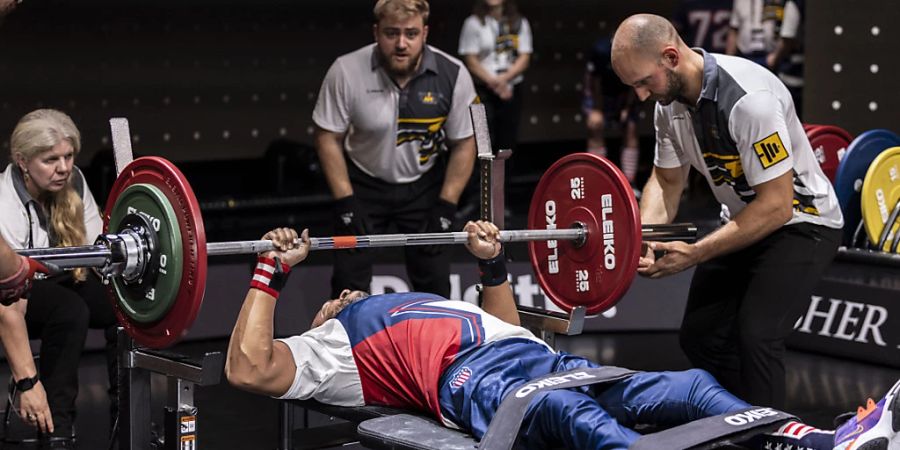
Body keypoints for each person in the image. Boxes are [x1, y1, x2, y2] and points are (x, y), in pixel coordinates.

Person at [225, 221, 895, 450]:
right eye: (330, 302)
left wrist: (492, 263)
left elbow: (506, 325)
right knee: (564, 413)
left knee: (689, 385)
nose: (341, 297)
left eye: (340, 297)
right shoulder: (331, 346)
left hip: (533, 357)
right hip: (482, 384)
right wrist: (270, 272)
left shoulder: (414, 302)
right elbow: (249, 369)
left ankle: (820, 440)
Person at [609, 14, 843, 410]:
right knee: (700, 336)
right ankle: (741, 418)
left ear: (670, 56)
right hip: (745, 218)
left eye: (644, 82)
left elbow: (777, 205)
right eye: (634, 87)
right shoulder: (668, 105)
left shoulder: (749, 100)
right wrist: (645, 237)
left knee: (758, 335)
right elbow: (666, 182)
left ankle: (771, 435)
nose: (642, 96)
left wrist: (696, 253)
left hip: (803, 222)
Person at [313, 0, 478, 299]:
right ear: (376, 32)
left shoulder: (454, 74)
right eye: (392, 33)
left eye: (411, 34)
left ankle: (435, 343)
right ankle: (343, 344)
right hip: (362, 184)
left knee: (435, 281)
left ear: (425, 33)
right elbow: (327, 136)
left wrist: (446, 205)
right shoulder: (346, 70)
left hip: (424, 186)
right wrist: (345, 201)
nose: (401, 44)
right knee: (348, 283)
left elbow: (465, 141)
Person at [0, 109, 119, 445]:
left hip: (56, 283)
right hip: (11, 299)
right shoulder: (3, 203)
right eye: (50, 159)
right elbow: (8, 305)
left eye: (68, 156)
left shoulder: (75, 181)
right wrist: (27, 383)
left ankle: (125, 418)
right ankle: (57, 433)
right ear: (23, 161)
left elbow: (99, 255)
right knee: (69, 311)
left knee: (120, 306)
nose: (64, 167)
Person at [458, 0, 532, 153]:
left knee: (507, 142)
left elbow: (524, 58)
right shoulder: (472, 23)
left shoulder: (519, 22)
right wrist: (495, 83)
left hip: (510, 91)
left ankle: (506, 177)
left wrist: (503, 80)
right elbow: (470, 60)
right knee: (482, 142)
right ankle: (482, 177)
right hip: (480, 92)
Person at [583, 37, 642, 191]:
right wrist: (596, 109)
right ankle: (597, 182)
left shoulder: (635, 53)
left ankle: (630, 184)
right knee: (595, 126)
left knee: (631, 128)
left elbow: (635, 83)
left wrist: (627, 108)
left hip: (624, 93)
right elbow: (593, 82)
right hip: (601, 94)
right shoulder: (601, 51)